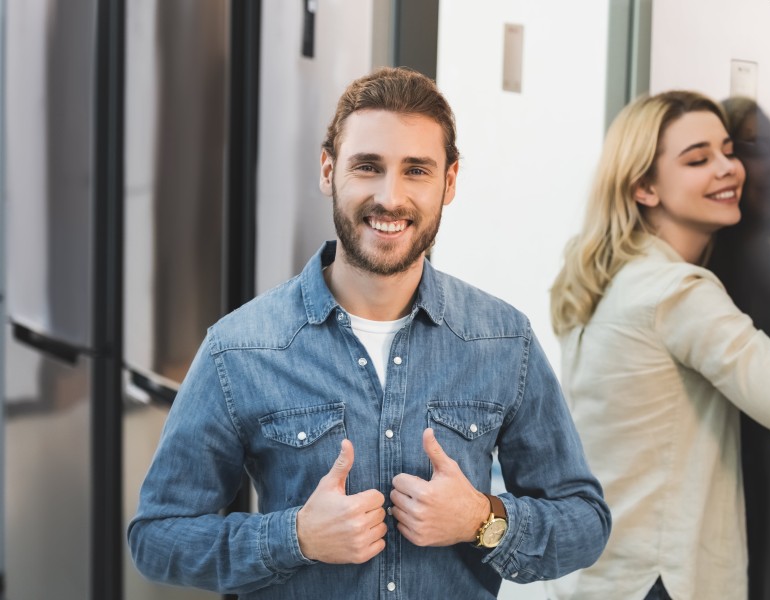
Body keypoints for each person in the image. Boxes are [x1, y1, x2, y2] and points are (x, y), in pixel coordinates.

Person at [129, 66, 611, 599]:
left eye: (416, 171)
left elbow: (584, 524)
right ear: (328, 170)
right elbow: (157, 537)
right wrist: (294, 538)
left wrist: (481, 519)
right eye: (367, 167)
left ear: (449, 182)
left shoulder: (503, 341)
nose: (390, 197)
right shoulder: (240, 348)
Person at [548, 90, 770, 600]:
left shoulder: (605, 277)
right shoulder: (676, 294)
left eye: (728, 150)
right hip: (660, 582)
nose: (728, 169)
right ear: (645, 187)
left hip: (599, 576)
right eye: (698, 159)